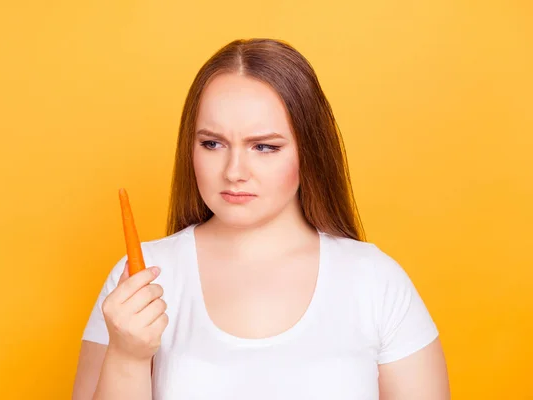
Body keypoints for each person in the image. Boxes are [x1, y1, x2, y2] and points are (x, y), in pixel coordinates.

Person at [72, 38, 450, 400]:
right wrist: (126, 356)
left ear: (310, 150)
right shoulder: (137, 283)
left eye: (264, 146)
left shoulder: (375, 281)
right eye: (212, 143)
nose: (234, 171)